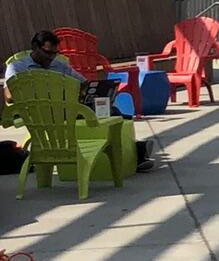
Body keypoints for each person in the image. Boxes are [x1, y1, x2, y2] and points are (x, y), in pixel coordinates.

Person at [4, 30, 155, 169]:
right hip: (38, 113)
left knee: (109, 111)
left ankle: (132, 154)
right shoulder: (17, 67)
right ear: (35, 47)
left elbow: (83, 84)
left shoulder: (59, 65)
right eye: (47, 52)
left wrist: (86, 92)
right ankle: (136, 152)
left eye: (54, 54)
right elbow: (9, 96)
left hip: (65, 108)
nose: (50, 57)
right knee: (111, 115)